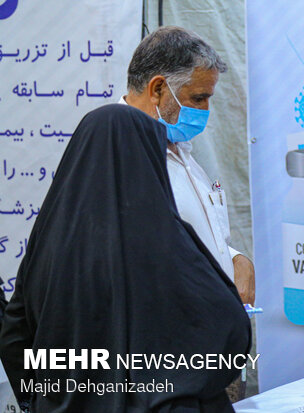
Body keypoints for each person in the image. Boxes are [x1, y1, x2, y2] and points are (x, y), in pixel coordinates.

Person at [0, 104, 251, 412]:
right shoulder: (169, 238)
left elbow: (15, 334)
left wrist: (41, 399)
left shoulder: (48, 241)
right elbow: (228, 326)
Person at [122, 26, 255, 306]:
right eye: (198, 98)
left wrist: (235, 260)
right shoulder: (116, 156)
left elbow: (196, 241)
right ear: (157, 89)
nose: (205, 110)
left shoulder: (179, 148)